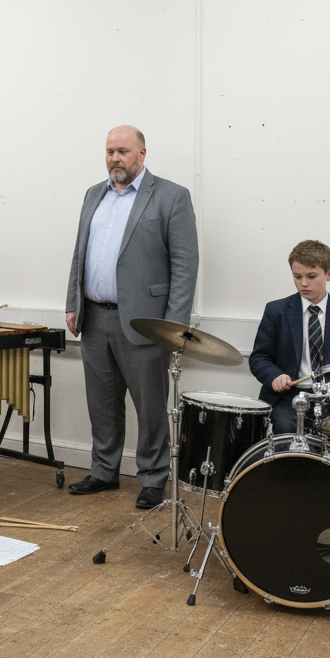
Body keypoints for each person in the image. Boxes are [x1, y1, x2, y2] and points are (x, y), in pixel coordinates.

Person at [65, 126, 198, 510]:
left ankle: (154, 478)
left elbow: (185, 267)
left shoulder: (171, 196)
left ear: (142, 153)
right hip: (95, 318)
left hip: (146, 323)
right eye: (109, 151)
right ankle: (103, 471)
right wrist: (73, 301)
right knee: (102, 404)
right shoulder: (94, 194)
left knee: (151, 407)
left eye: (122, 151)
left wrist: (172, 328)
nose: (114, 159)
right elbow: (80, 253)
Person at [249, 239, 330, 435]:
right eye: (297, 276)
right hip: (289, 396)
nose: (303, 283)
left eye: (311, 276)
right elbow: (259, 358)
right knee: (286, 427)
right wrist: (275, 376)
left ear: (329, 274)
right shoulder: (276, 311)